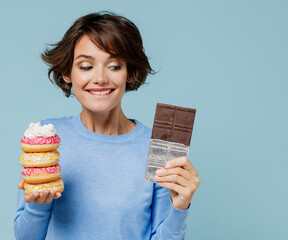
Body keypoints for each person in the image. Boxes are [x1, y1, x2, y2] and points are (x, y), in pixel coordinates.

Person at [14, 11, 200, 240]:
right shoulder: (46, 136)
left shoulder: (160, 146)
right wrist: (37, 205)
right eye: (85, 66)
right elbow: (25, 238)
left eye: (114, 66)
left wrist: (180, 207)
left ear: (129, 73)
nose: (100, 78)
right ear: (67, 72)